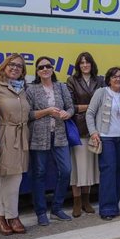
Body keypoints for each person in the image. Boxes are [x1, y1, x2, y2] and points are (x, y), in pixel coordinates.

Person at [26, 56, 75, 226]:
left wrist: (67, 114)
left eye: (48, 66)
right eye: (41, 67)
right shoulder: (31, 89)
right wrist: (47, 111)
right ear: (37, 72)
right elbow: (28, 115)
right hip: (39, 137)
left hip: (60, 135)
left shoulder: (61, 87)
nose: (45, 69)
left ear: (52, 69)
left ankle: (57, 208)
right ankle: (41, 212)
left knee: (66, 171)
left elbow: (71, 107)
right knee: (39, 174)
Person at [0, 53, 31, 235]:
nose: (15, 68)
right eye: (12, 64)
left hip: (21, 135)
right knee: (13, 177)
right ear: (4, 66)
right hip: (6, 135)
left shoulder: (21, 88)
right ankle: (12, 216)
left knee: (7, 177)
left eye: (19, 66)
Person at [87, 67, 120, 220]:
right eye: (114, 77)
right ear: (108, 79)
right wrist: (94, 132)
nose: (117, 79)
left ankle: (114, 204)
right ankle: (107, 209)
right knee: (108, 172)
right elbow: (90, 113)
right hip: (106, 138)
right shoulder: (101, 92)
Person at [66, 52, 104, 217]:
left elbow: (104, 102)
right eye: (81, 63)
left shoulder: (100, 80)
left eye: (87, 62)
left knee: (89, 167)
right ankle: (77, 201)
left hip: (96, 128)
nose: (84, 65)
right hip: (79, 128)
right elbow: (71, 106)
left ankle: (87, 200)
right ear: (78, 65)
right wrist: (91, 107)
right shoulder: (72, 81)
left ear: (92, 64)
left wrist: (90, 108)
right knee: (77, 168)